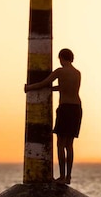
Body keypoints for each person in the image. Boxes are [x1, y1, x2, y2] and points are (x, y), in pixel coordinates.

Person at [24, 48, 82, 184]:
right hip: (77, 108)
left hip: (65, 108)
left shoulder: (60, 71)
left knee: (60, 144)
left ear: (61, 58)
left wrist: (29, 88)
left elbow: (44, 82)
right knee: (69, 145)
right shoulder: (77, 73)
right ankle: (68, 177)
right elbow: (66, 88)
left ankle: (61, 176)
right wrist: (52, 89)